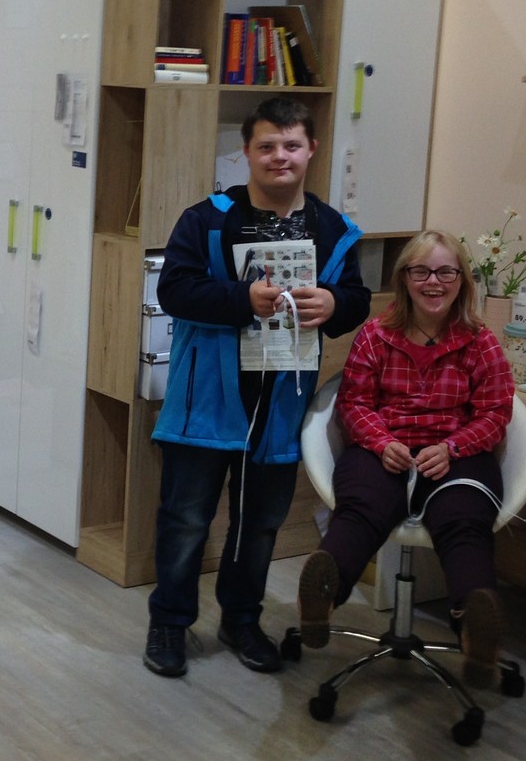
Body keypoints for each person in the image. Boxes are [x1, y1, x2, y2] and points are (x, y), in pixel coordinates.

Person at [144, 96, 370, 678]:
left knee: (261, 522)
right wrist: (241, 299)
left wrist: (334, 303)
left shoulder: (334, 230)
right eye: (266, 146)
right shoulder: (206, 219)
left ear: (311, 150)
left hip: (281, 401)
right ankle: (169, 621)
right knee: (185, 518)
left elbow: (358, 300)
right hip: (206, 398)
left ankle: (241, 619)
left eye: (291, 145)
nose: (279, 157)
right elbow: (174, 290)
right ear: (246, 152)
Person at [297, 229, 516, 689]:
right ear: (404, 279)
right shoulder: (375, 335)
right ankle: (322, 596)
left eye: (446, 272)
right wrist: (381, 442)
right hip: (385, 449)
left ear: (461, 281)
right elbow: (354, 403)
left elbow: (496, 413)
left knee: (464, 521)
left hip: (456, 454)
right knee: (362, 509)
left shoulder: (481, 342)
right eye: (421, 271)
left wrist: (452, 448)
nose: (433, 282)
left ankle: (475, 627)